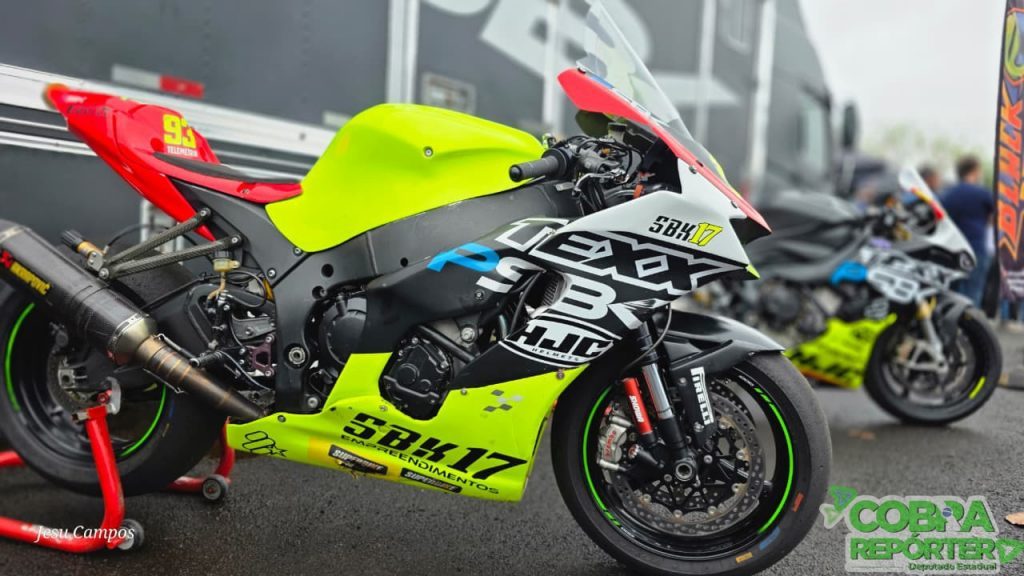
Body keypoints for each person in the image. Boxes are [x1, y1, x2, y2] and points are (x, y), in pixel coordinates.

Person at [941, 156, 994, 305]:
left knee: (951, 293)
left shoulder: (949, 193)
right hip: (976, 249)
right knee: (973, 292)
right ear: (974, 171)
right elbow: (995, 218)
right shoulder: (982, 193)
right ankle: (968, 319)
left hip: (952, 249)